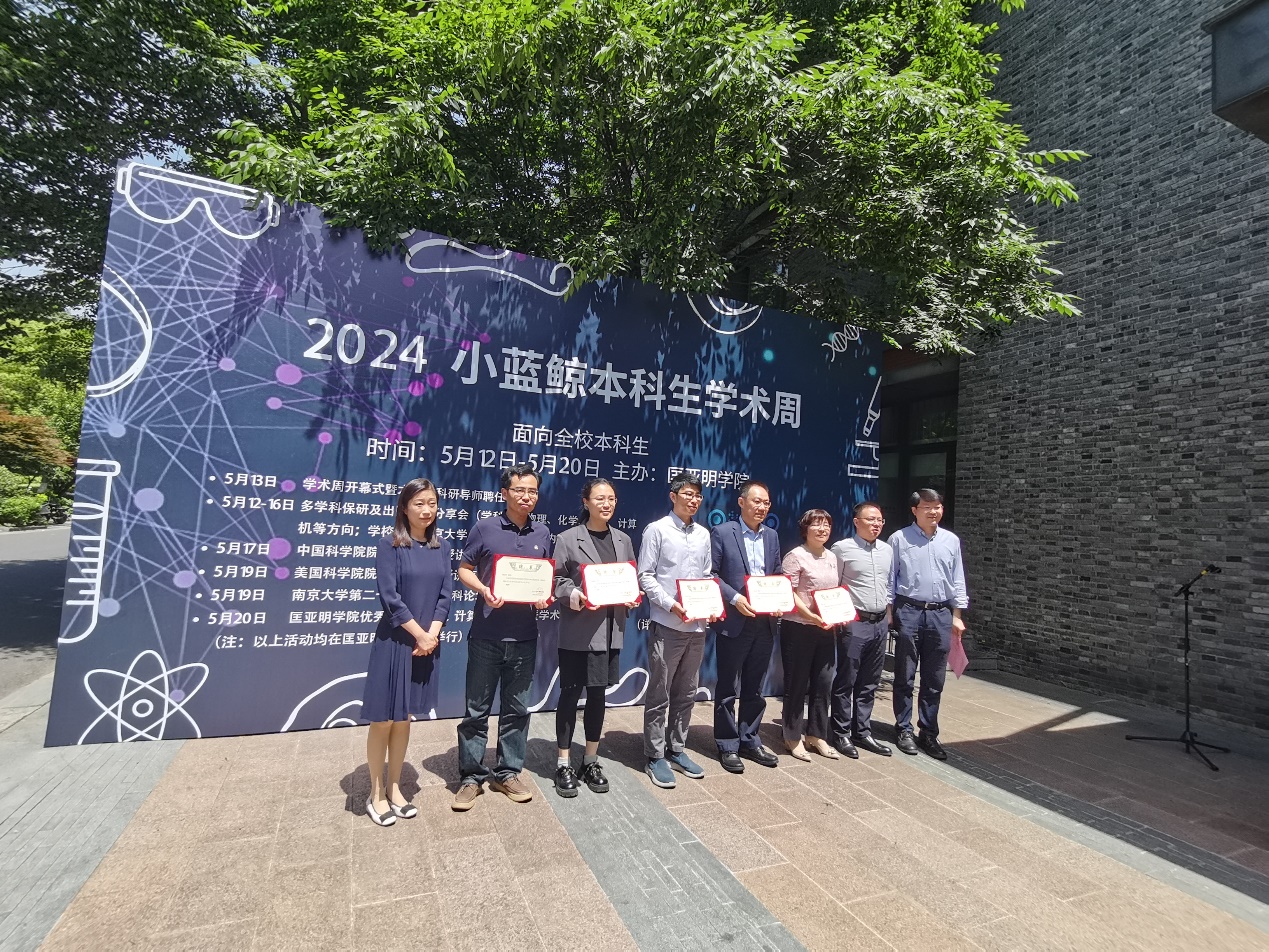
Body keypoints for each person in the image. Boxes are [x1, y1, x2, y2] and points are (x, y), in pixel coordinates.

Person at [452, 464, 554, 810]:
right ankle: (471, 777)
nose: (527, 497)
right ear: (505, 493)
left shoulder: (543, 533)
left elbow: (545, 579)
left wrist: (543, 596)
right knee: (476, 710)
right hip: (487, 634)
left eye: (532, 491)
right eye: (519, 490)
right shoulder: (485, 528)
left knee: (517, 710)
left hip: (525, 636)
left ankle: (508, 772)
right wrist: (483, 589)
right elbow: (464, 569)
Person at [362, 478, 451, 826]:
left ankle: (395, 787)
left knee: (404, 718)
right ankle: (375, 793)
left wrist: (432, 635)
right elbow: (390, 598)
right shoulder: (390, 545)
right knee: (383, 719)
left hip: (424, 645)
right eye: (419, 503)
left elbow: (445, 596)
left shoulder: (441, 547)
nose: (427, 510)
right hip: (396, 642)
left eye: (432, 503)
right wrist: (419, 634)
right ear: (404, 507)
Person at [551, 478, 638, 797]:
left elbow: (629, 577)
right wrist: (574, 594)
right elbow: (556, 580)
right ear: (585, 502)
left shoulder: (623, 540)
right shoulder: (567, 538)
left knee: (598, 696)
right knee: (570, 695)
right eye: (600, 498)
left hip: (609, 632)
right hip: (579, 632)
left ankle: (590, 759)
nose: (607, 504)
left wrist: (631, 596)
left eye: (611, 498)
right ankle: (563, 762)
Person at [636, 472, 717, 789]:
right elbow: (645, 575)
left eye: (698, 495)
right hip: (668, 623)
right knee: (660, 692)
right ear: (673, 496)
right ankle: (654, 755)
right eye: (687, 494)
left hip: (697, 626)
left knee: (686, 692)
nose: (693, 500)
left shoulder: (703, 534)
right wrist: (671, 605)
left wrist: (711, 605)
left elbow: (707, 576)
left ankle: (677, 749)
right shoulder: (657, 530)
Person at [889, 488, 968, 761]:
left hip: (941, 613)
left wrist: (957, 614)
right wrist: (890, 612)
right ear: (915, 510)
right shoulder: (899, 539)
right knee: (905, 673)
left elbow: (958, 579)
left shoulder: (951, 540)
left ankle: (929, 732)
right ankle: (903, 729)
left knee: (935, 677)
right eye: (927, 507)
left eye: (938, 507)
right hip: (909, 610)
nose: (933, 512)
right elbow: (890, 578)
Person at [709, 480, 782, 773]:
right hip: (735, 620)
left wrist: (778, 599)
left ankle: (750, 739)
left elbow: (776, 574)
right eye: (756, 501)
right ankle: (727, 744)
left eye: (766, 503)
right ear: (741, 502)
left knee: (755, 686)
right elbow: (712, 574)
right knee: (728, 686)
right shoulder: (723, 532)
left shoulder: (772, 536)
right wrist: (735, 598)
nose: (761, 507)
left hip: (764, 622)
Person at [830, 501, 894, 758]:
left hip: (880, 623)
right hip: (854, 622)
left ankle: (863, 731)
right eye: (871, 519)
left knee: (870, 681)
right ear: (856, 522)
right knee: (847, 679)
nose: (876, 524)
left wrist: (888, 615)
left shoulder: (887, 550)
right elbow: (832, 585)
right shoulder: (841, 549)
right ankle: (841, 733)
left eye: (880, 520)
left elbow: (888, 585)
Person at [779, 509, 842, 761]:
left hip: (826, 628)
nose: (822, 529)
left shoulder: (832, 557)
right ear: (805, 529)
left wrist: (835, 614)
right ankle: (792, 737)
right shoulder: (795, 556)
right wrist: (811, 616)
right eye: (816, 524)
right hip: (799, 628)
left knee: (823, 684)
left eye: (826, 524)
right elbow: (789, 592)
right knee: (796, 684)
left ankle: (816, 735)